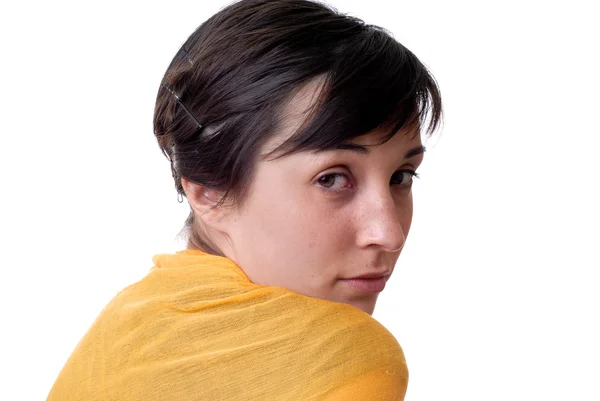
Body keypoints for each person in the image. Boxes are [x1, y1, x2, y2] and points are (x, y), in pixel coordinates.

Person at [47, 0, 442, 399]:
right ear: (209, 192)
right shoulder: (348, 360)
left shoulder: (124, 326)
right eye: (332, 179)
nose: (389, 233)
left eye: (401, 177)